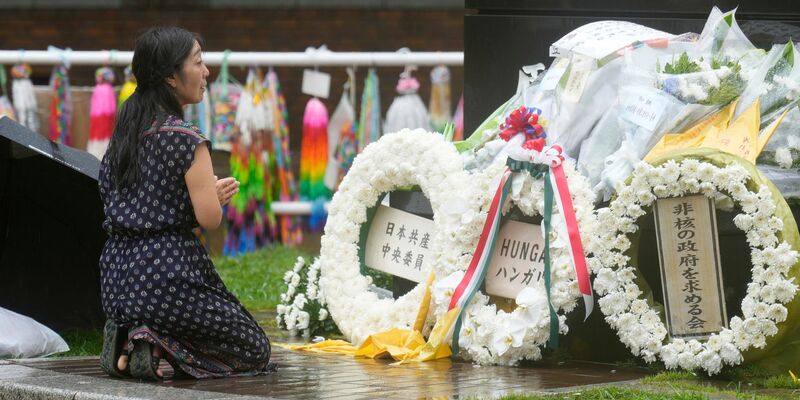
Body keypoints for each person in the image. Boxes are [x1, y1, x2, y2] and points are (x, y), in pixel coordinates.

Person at [97, 26, 272, 380]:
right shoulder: (187, 140)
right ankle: (152, 337)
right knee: (255, 349)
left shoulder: (124, 137)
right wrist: (212, 196)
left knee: (182, 317)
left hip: (116, 280)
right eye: (198, 62)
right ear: (171, 78)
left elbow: (134, 202)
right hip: (167, 278)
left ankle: (134, 337)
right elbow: (209, 219)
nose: (206, 72)